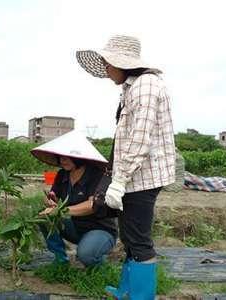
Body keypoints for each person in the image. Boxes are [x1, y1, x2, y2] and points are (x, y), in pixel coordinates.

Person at [77, 35, 176, 299]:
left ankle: (141, 296)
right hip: (133, 175)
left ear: (122, 63)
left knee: (139, 240)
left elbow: (140, 138)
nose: (106, 71)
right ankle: (127, 290)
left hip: (143, 176)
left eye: (108, 64)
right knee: (130, 237)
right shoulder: (131, 87)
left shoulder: (146, 86)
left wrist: (119, 180)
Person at [31, 130, 117, 267]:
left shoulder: (97, 176)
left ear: (80, 157)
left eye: (67, 157)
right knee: (44, 217)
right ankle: (60, 258)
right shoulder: (62, 175)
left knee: (87, 255)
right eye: (61, 157)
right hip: (75, 227)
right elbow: (54, 197)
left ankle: (97, 263)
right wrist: (50, 201)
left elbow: (91, 205)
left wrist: (61, 210)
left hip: (99, 230)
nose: (62, 160)